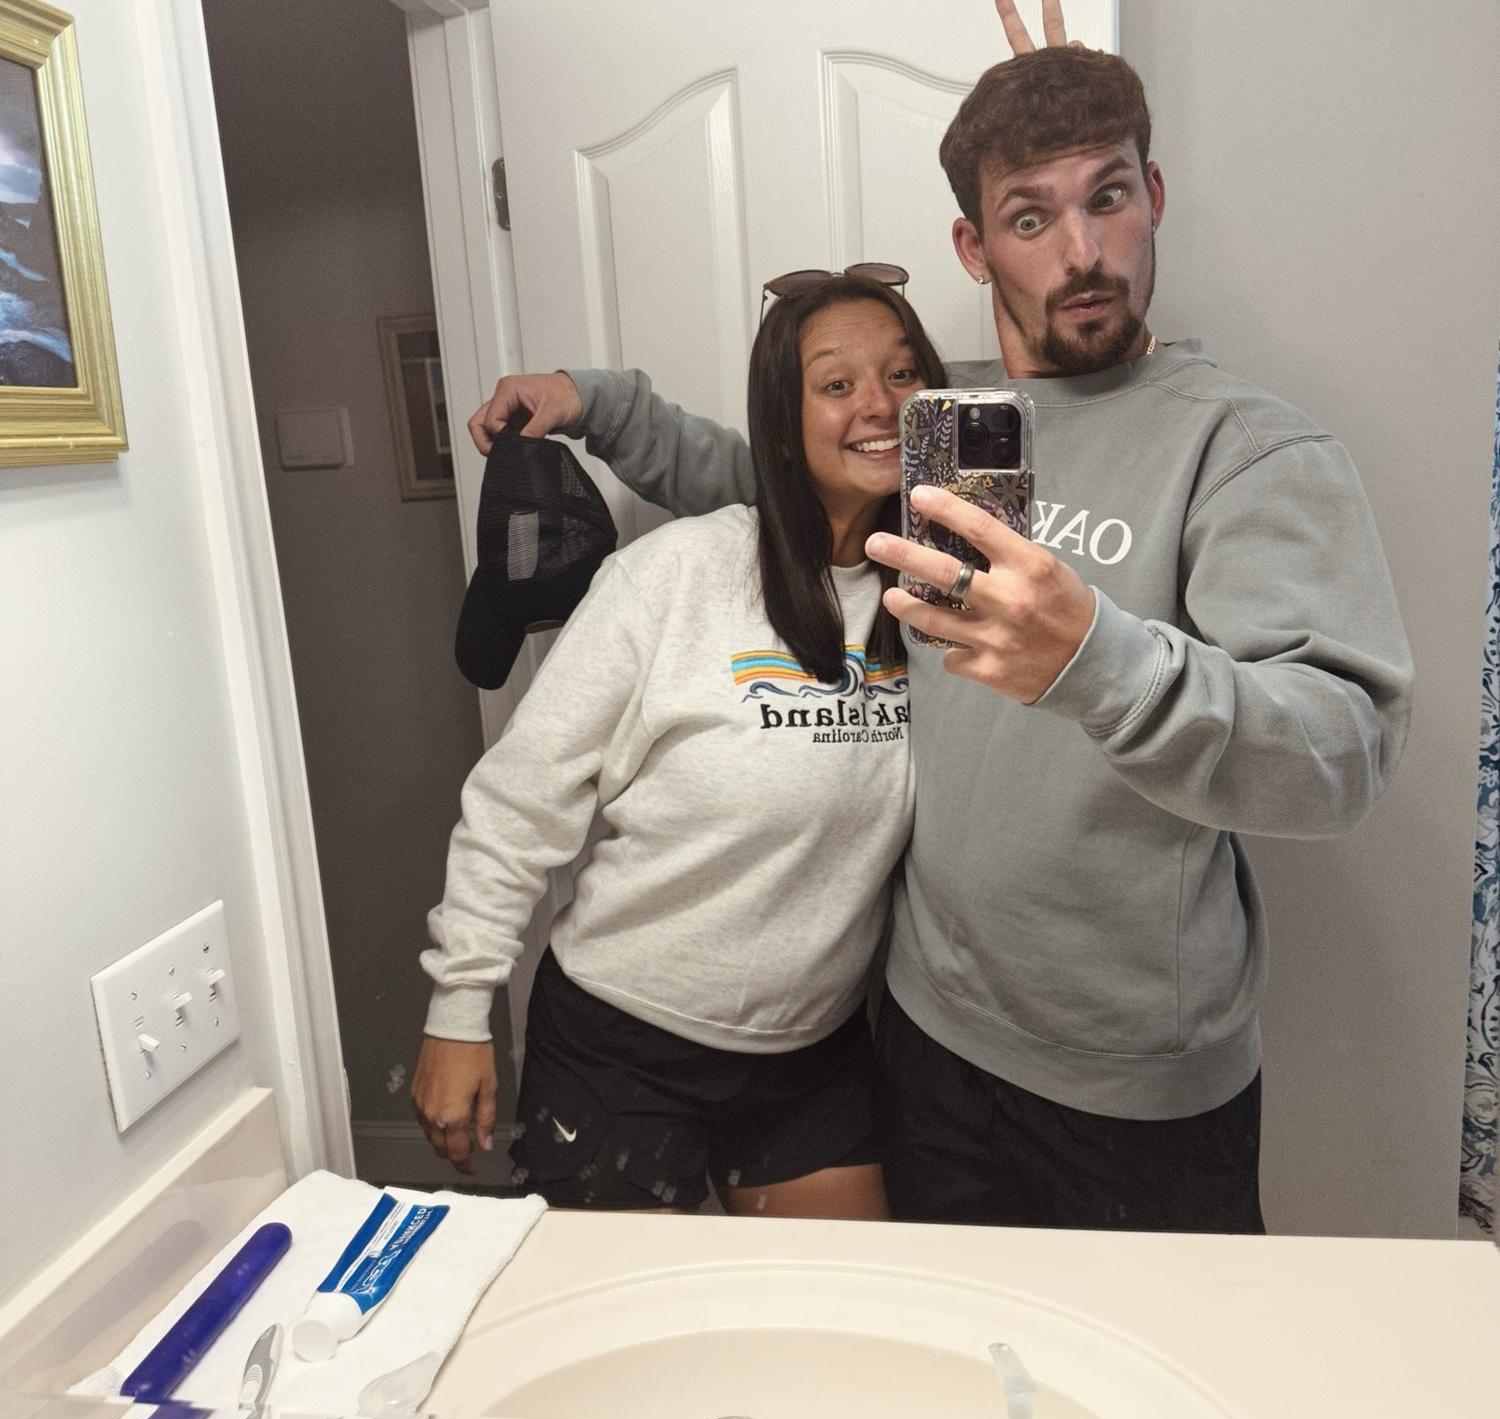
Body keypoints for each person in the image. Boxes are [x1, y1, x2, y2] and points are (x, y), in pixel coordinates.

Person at [467, 4, 1414, 1233]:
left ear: (1155, 194)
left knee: (1130, 1360)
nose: (1083, 251)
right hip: (922, 1041)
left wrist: (1097, 661)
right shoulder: (945, 432)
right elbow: (770, 476)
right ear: (975, 247)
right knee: (923, 1349)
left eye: (1108, 197)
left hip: (1136, 1078)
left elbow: (1339, 756)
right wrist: (593, 401)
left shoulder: (1246, 451)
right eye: (1031, 217)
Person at [416, 272, 947, 1218]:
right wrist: (459, 1010)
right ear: (780, 421)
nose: (880, 405)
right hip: (622, 1046)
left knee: (837, 1305)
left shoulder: (946, 596)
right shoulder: (676, 574)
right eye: (837, 384)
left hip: (814, 1050)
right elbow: (519, 802)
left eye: (904, 375)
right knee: (620, 1312)